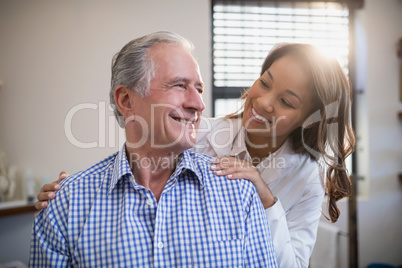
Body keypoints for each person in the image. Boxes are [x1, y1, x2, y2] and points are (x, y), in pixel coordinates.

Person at [35, 42, 355, 267]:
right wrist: (71, 193)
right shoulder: (194, 131)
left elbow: (291, 266)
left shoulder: (305, 180)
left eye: (287, 101)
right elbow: (137, 157)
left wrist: (266, 199)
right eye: (264, 82)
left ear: (309, 118)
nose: (263, 102)